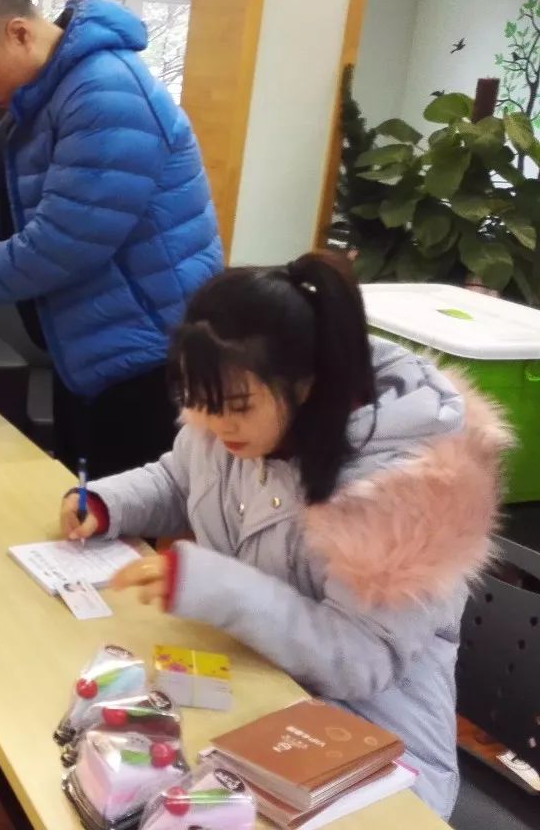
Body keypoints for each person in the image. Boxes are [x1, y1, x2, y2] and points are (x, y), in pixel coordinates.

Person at [62, 252, 508, 818]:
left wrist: (216, 588)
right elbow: (179, 478)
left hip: (373, 754)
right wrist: (106, 503)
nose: (214, 423)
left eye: (236, 407)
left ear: (307, 384)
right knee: (111, 766)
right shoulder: (232, 418)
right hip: (257, 691)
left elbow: (358, 660)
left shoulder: (409, 486)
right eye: (198, 401)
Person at [0, 0, 223, 478]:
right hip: (93, 346)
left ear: (19, 33)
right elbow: (57, 205)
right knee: (83, 499)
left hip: (147, 354)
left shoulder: (105, 92)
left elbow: (67, 240)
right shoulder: (56, 93)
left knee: (125, 510)